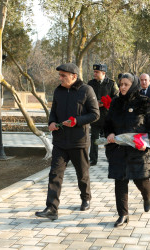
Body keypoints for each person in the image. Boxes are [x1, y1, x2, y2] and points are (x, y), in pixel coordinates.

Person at [35, 63, 99, 220]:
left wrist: (76, 121)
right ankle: (51, 208)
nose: (60, 78)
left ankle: (85, 198)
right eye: (60, 75)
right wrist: (51, 122)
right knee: (54, 174)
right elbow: (54, 112)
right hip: (60, 142)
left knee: (82, 174)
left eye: (64, 75)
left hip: (79, 142)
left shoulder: (87, 90)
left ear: (74, 76)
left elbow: (95, 114)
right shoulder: (58, 91)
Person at [104, 73, 150, 227]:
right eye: (121, 84)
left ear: (133, 85)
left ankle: (146, 196)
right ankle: (123, 214)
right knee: (120, 182)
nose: (122, 87)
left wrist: (148, 143)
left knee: (141, 181)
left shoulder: (144, 102)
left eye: (126, 84)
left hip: (139, 150)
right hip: (119, 150)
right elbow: (107, 123)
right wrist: (109, 133)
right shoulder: (115, 103)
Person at [88, 63, 119, 166]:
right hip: (95, 116)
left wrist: (104, 103)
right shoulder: (90, 83)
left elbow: (116, 98)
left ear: (103, 73)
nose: (95, 74)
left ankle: (110, 157)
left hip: (107, 116)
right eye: (94, 72)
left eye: (97, 72)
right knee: (94, 138)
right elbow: (87, 97)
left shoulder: (111, 84)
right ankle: (93, 159)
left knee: (108, 139)